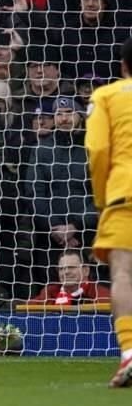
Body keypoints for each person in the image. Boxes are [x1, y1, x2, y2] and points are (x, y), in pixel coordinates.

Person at [84, 38, 132, 387]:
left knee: (125, 273)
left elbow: (98, 149)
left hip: (124, 194)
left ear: (123, 66)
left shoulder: (107, 96)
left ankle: (130, 353)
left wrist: (103, 196)